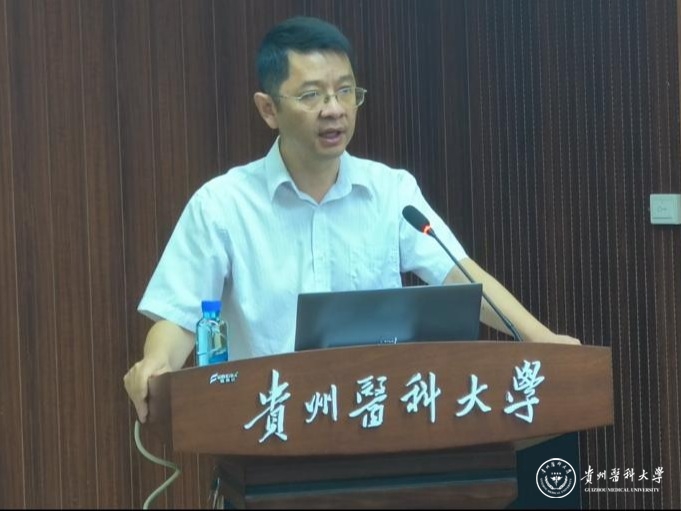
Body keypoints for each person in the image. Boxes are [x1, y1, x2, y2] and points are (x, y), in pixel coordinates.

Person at [123, 15, 580, 424]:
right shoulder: (223, 205)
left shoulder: (391, 192)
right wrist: (156, 361)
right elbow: (180, 315)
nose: (334, 109)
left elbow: (459, 274)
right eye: (311, 95)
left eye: (345, 91)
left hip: (377, 419)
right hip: (271, 426)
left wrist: (541, 339)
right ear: (268, 109)